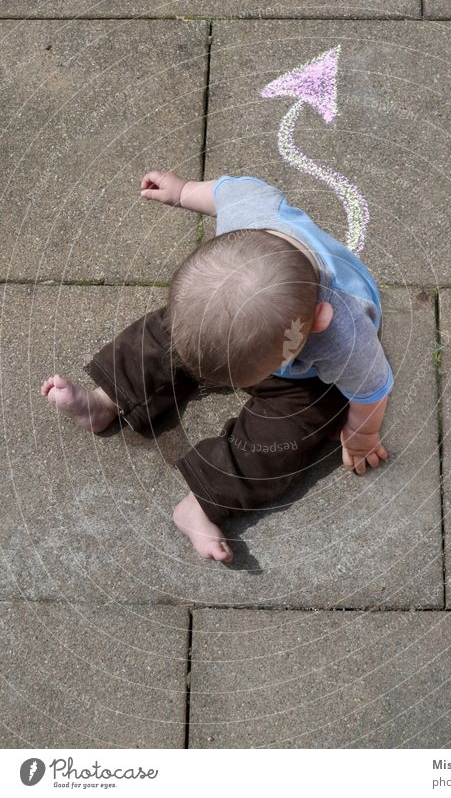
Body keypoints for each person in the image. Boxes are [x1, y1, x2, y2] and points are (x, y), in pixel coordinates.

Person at [41, 172, 393, 564]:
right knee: (164, 336)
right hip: (232, 325)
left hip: (302, 379)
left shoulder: (342, 331)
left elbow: (372, 388)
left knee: (292, 426)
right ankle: (104, 400)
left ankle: (202, 502)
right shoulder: (249, 209)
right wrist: (182, 192)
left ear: (318, 320)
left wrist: (363, 433)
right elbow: (223, 192)